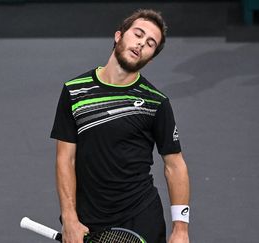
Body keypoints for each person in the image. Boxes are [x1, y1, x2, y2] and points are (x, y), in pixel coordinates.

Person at [50, 9, 190, 243]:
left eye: (150, 43)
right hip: (89, 220)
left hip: (141, 216)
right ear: (118, 36)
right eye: (138, 34)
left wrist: (181, 229)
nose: (141, 44)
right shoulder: (75, 91)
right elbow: (65, 159)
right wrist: (69, 218)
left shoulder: (156, 102)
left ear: (150, 57)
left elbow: (175, 165)